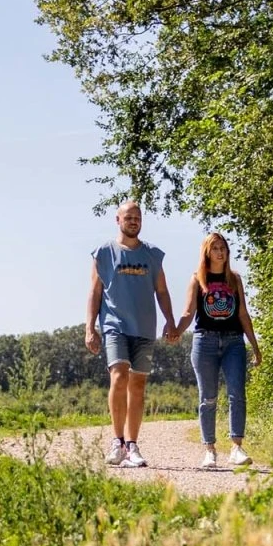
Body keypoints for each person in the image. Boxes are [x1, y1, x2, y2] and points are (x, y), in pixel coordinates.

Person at [85, 200, 177, 468]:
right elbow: (94, 292)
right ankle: (117, 441)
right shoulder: (103, 253)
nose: (134, 221)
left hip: (145, 328)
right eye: (129, 217)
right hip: (114, 325)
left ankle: (133, 446)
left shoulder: (152, 255)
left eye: (138, 217)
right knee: (118, 375)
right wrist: (90, 327)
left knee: (138, 385)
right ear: (118, 220)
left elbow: (161, 291)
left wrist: (170, 321)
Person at [178, 232, 262, 468]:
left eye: (223, 247)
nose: (220, 252)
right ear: (207, 252)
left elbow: (243, 314)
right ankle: (210, 450)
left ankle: (236, 448)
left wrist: (255, 347)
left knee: (237, 394)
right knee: (208, 398)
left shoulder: (234, 279)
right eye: (215, 248)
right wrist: (175, 330)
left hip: (234, 342)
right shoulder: (198, 279)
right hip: (205, 341)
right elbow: (188, 313)